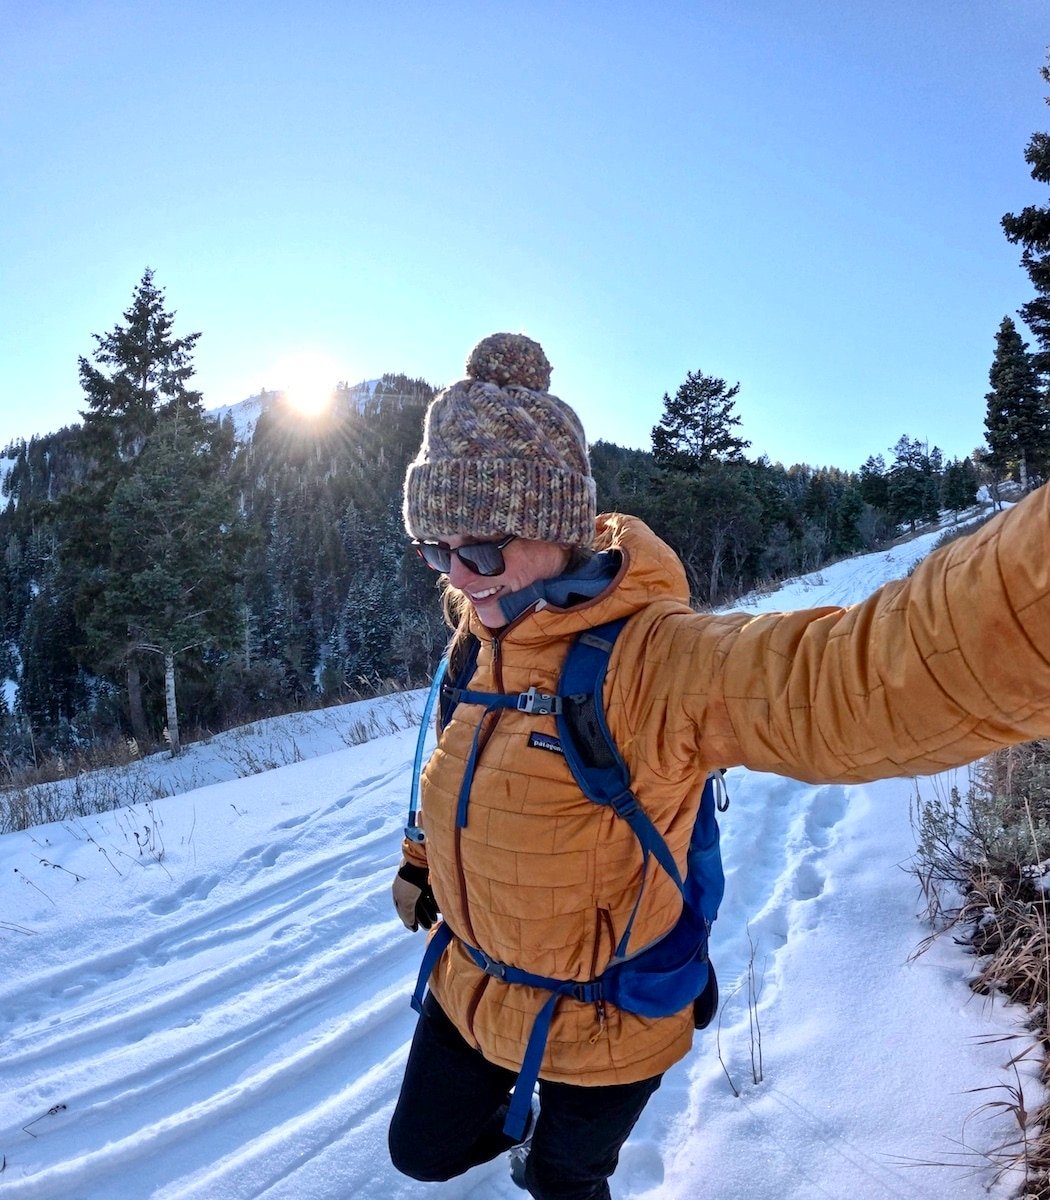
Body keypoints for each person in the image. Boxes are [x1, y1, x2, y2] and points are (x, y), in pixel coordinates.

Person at [387, 332, 1050, 1200]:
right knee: (420, 1154)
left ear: (555, 528)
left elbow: (858, 676)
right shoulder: (478, 649)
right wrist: (420, 862)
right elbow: (454, 782)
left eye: (479, 550)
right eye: (437, 550)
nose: (461, 579)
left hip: (609, 1020)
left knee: (564, 1183)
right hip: (471, 985)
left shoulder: (657, 662)